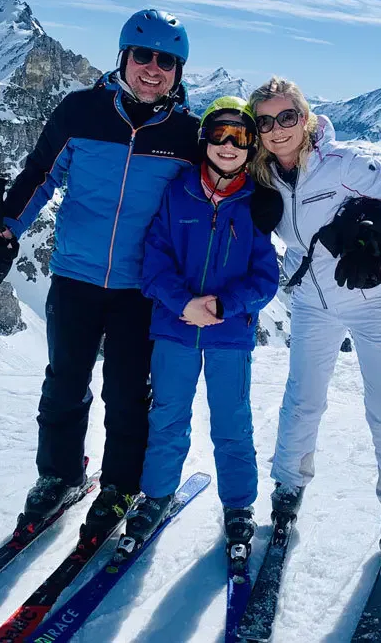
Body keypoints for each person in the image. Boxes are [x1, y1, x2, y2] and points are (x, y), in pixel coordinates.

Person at [0, 9, 200, 539]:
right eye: (144, 56)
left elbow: (213, 199)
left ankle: (119, 485)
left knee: (126, 391)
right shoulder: (81, 111)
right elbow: (40, 174)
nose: (153, 69)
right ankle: (61, 475)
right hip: (75, 274)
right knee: (65, 381)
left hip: (142, 286)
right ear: (124, 57)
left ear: (179, 72)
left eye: (168, 61)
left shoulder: (188, 135)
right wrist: (5, 227)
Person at [247, 76, 381, 541]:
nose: (277, 129)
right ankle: (288, 484)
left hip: (369, 299)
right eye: (265, 121)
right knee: (303, 398)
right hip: (311, 301)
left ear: (305, 119)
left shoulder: (341, 163)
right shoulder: (262, 172)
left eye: (287, 117)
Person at [125, 97, 278, 557]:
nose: (228, 146)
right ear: (204, 140)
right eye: (219, 135)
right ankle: (156, 496)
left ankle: (238, 507)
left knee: (232, 421)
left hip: (229, 335)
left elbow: (265, 279)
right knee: (168, 416)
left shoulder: (256, 204)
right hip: (175, 330)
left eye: (241, 137)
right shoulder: (179, 193)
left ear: (251, 147)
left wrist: (224, 306)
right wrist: (184, 304)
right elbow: (153, 263)